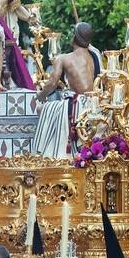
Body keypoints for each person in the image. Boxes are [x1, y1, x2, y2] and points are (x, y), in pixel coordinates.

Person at [32, 22, 96, 159]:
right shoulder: (94, 57)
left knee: (42, 109)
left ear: (74, 38)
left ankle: (52, 154)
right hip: (93, 104)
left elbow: (52, 83)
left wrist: (41, 95)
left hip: (77, 104)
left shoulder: (64, 58)